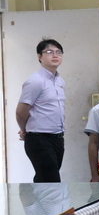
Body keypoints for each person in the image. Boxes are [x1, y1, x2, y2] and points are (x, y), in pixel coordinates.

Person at [16, 38, 66, 182]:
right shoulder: (35, 81)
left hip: (57, 137)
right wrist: (24, 129)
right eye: (49, 52)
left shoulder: (60, 81)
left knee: (44, 180)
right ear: (39, 57)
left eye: (58, 52)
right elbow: (21, 111)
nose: (55, 55)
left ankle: (34, 197)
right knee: (51, 181)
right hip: (39, 138)